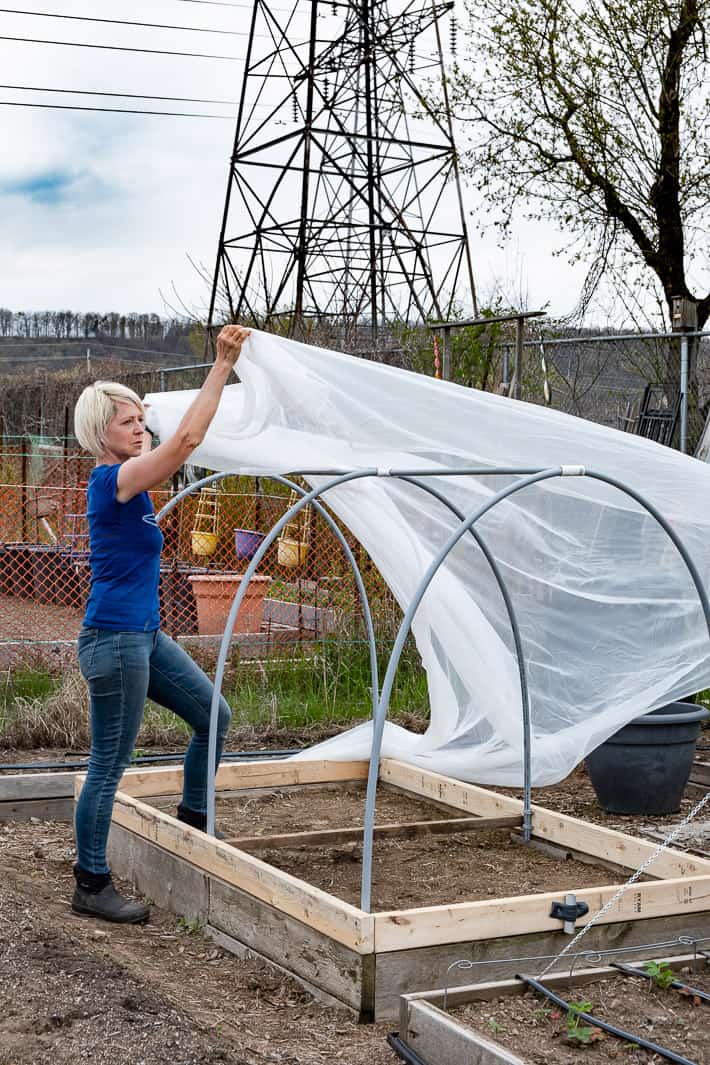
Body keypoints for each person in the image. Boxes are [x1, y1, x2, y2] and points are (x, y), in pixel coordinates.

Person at [71, 324, 251, 923]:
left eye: (140, 418)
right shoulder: (112, 480)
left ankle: (193, 825)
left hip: (142, 636)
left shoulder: (137, 481)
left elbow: (177, 442)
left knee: (214, 716)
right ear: (103, 434)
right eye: (128, 422)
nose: (140, 427)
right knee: (109, 764)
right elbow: (187, 441)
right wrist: (222, 365)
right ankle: (91, 884)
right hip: (115, 641)